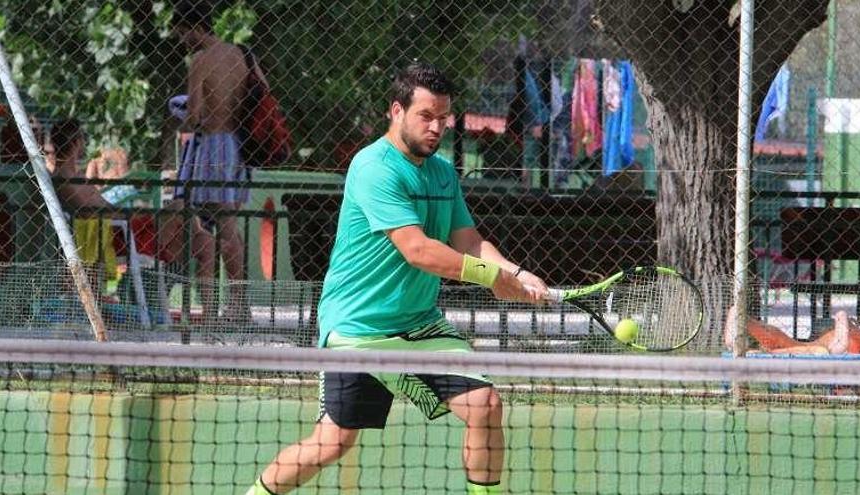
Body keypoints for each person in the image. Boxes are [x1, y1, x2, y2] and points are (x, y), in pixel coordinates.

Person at [244, 62, 548, 495]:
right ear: (397, 111)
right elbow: (418, 249)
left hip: (419, 324)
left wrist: (515, 273)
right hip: (358, 330)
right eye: (426, 116)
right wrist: (491, 278)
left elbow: (466, 239)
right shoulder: (373, 167)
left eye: (443, 118)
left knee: (485, 404)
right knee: (331, 444)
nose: (436, 127)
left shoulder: (443, 174)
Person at [49, 118, 218, 320]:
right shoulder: (63, 180)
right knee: (180, 206)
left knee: (206, 243)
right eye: (82, 139)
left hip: (127, 226)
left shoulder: (76, 177)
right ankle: (166, 256)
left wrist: (130, 214)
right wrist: (128, 214)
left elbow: (101, 208)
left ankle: (209, 317)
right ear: (76, 142)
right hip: (119, 234)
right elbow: (90, 214)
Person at [171, 0, 259, 321]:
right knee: (227, 225)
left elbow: (194, 115)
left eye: (182, 33)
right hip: (240, 145)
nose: (182, 41)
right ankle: (236, 301)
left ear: (194, 28)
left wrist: (179, 110)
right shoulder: (242, 55)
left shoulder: (201, 60)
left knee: (215, 227)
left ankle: (230, 305)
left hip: (213, 147)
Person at [724, 306, 860, 354]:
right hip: (842, 343)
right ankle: (767, 354)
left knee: (787, 344)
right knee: (819, 351)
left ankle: (744, 319)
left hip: (842, 345)